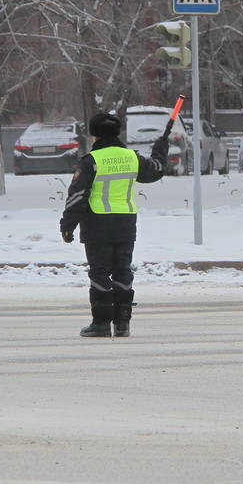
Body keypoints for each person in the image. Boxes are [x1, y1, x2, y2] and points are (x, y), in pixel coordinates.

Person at [60, 112, 168, 337]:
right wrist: (161, 146)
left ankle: (100, 323)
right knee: (122, 271)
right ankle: (122, 323)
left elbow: (78, 195)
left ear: (94, 135)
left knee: (99, 273)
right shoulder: (132, 158)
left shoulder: (92, 161)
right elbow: (156, 169)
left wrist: (68, 224)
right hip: (126, 223)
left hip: (98, 224)